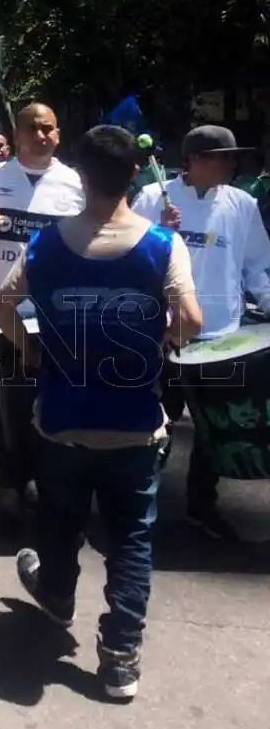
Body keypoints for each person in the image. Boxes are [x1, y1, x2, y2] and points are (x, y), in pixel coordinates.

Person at [0, 125, 203, 701]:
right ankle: (119, 658)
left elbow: (5, 307)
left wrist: (33, 346)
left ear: (80, 176)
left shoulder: (47, 245)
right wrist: (162, 337)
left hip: (63, 416)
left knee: (61, 520)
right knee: (131, 538)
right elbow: (191, 319)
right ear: (134, 174)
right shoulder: (163, 244)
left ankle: (57, 593)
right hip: (136, 424)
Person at [130, 125, 270, 541]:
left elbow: (257, 267)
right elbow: (128, 256)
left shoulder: (242, 204)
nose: (230, 163)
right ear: (193, 160)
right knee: (157, 422)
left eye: (231, 157)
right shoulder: (154, 198)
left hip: (220, 339)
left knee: (213, 429)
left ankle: (201, 505)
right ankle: (140, 505)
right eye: (221, 156)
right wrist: (160, 230)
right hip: (164, 335)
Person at [0, 103, 85, 524]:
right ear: (17, 132)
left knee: (50, 401)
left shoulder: (74, 184)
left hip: (53, 313)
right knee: (0, 401)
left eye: (48, 128)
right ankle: (7, 483)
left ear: (58, 134)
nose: (41, 136)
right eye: (32, 128)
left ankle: (41, 483)